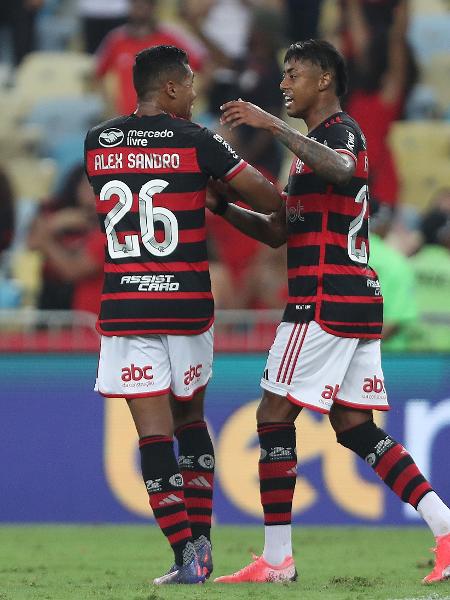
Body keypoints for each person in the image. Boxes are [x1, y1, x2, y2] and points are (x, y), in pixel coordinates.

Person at [209, 39, 450, 584]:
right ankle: (445, 528)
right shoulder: (309, 150)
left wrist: (271, 125)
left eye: (293, 74)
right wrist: (224, 206)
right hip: (353, 301)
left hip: (322, 300)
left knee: (272, 417)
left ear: (324, 81)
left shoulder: (338, 133)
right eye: (282, 74)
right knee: (354, 425)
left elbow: (342, 170)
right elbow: (278, 232)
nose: (284, 83)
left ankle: (277, 560)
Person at [84, 44, 282, 585]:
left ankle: (185, 554)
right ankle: (204, 543)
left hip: (126, 304)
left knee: (151, 437)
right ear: (170, 89)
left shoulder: (97, 140)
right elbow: (269, 198)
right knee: (190, 420)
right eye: (191, 82)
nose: (196, 92)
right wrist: (217, 193)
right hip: (186, 303)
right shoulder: (196, 141)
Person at [94, 0, 206, 116]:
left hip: (167, 124)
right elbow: (97, 74)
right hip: (131, 121)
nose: (140, 7)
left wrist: (187, 100)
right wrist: (110, 109)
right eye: (135, 3)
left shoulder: (171, 38)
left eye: (146, 3)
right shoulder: (116, 40)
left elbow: (204, 65)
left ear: (154, 7)